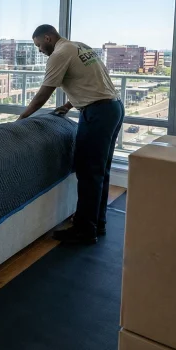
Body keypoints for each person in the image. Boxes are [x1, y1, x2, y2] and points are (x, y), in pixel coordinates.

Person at [18, 24, 123, 245]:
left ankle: (84, 230)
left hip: (97, 113)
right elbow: (91, 81)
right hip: (113, 108)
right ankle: (97, 222)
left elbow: (43, 93)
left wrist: (22, 118)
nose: (39, 50)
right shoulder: (79, 47)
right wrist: (68, 105)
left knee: (88, 172)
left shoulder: (59, 54)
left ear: (48, 38)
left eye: (39, 45)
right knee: (100, 170)